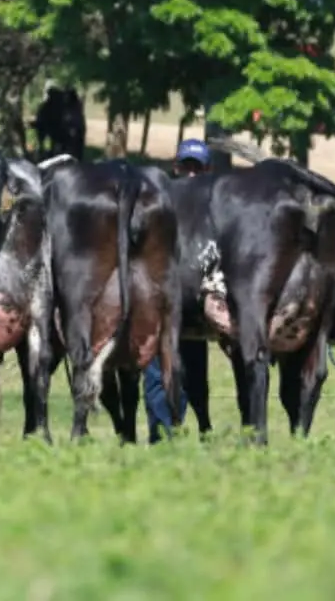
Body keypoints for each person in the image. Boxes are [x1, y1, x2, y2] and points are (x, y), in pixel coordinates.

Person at [142, 138, 211, 443]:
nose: (191, 174)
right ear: (176, 167)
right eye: (187, 167)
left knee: (195, 374)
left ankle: (201, 428)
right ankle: (162, 437)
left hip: (195, 304)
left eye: (197, 168)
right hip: (161, 301)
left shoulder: (213, 205)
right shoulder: (160, 200)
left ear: (207, 170)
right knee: (158, 374)